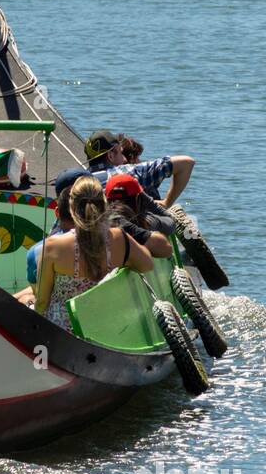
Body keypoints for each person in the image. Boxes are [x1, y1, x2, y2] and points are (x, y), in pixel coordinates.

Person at [33, 176, 153, 332]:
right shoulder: (119, 239)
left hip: (62, 333)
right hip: (106, 331)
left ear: (72, 208)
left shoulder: (52, 247)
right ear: (104, 204)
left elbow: (42, 301)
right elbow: (147, 265)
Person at [55, 129, 195, 207]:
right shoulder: (127, 173)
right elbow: (186, 163)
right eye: (121, 152)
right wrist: (166, 203)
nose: (124, 159)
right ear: (110, 155)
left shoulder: (77, 181)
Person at [104, 173, 175, 258]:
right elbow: (171, 222)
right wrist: (148, 200)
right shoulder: (147, 222)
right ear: (138, 198)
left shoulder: (99, 220)